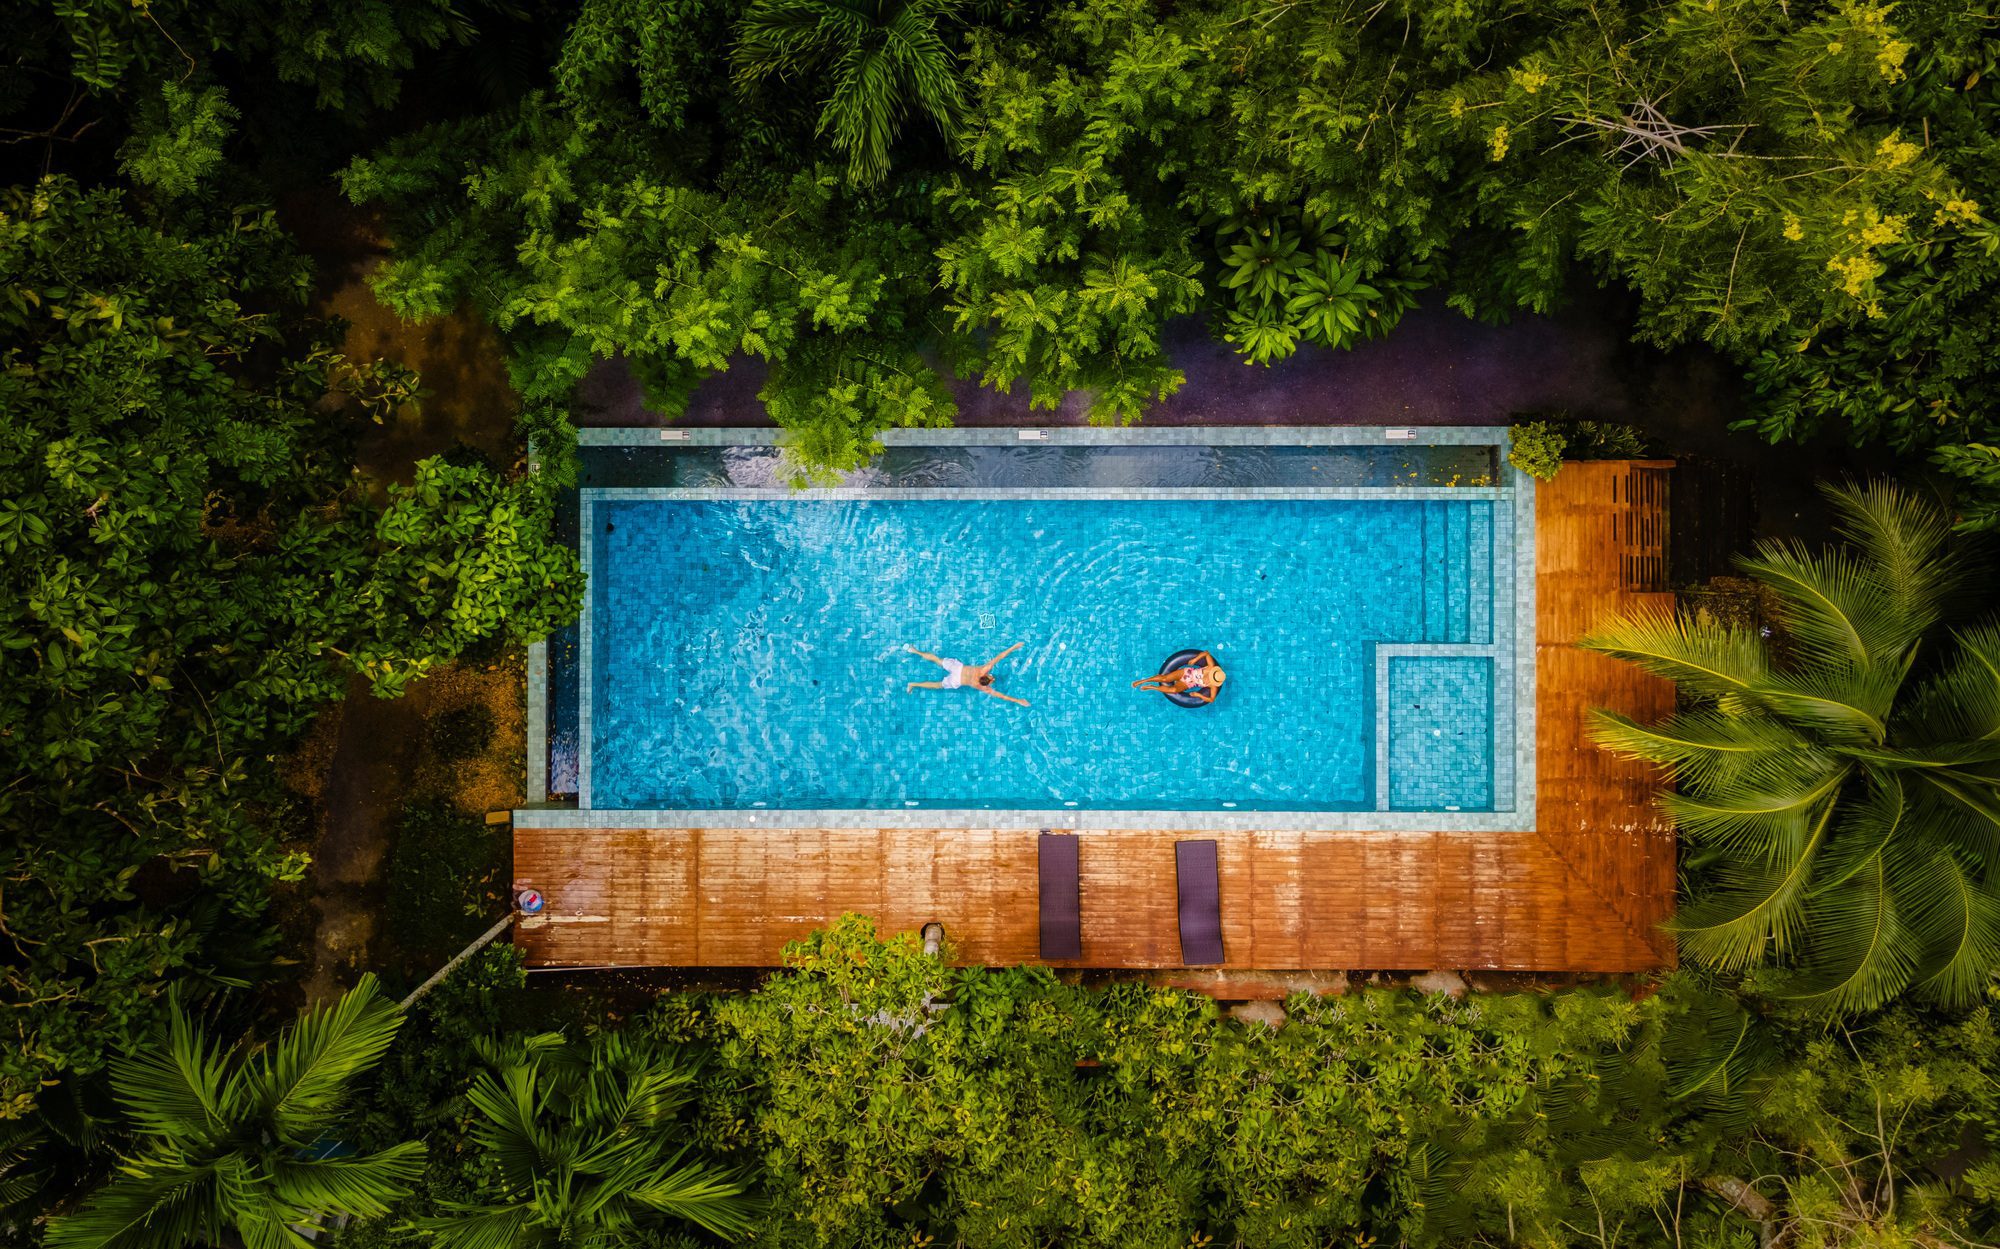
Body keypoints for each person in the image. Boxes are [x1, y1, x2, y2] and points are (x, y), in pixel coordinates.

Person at [905, 642, 1030, 706]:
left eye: (991, 678)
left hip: (958, 669)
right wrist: (1018, 700)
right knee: (937, 685)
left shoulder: (983, 669)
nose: (992, 678)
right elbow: (1001, 696)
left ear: (986, 676)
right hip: (957, 681)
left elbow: (1000, 656)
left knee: (937, 660)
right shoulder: (981, 687)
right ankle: (913, 684)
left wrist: (1014, 647)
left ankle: (914, 650)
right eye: (992, 679)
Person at [1132, 651, 1226, 704]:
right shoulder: (1211, 667)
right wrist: (1195, 659)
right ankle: (1143, 681)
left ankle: (1152, 687)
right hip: (1186, 673)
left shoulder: (1213, 686)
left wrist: (1198, 695)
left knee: (1173, 690)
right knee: (1165, 679)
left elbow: (1211, 699)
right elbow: (1206, 653)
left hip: (1188, 684)